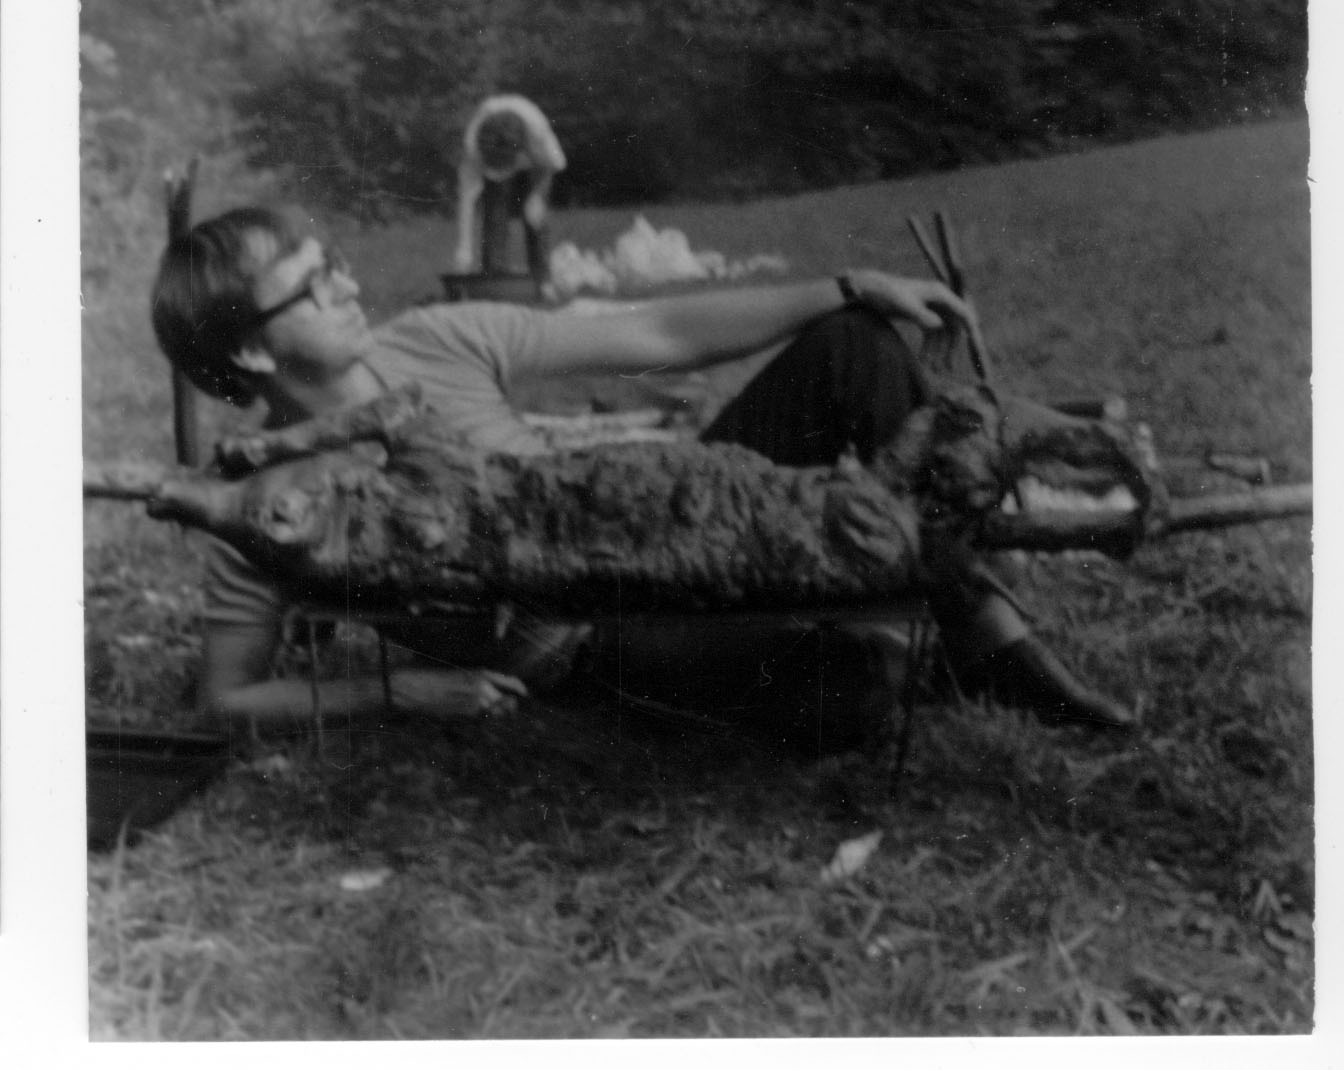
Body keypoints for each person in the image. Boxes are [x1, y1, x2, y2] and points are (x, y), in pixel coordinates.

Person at [151, 205, 1134, 740]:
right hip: (596, 634)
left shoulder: (432, 340)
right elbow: (224, 700)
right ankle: (875, 628)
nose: (348, 283)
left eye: (334, 261)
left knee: (854, 345)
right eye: (313, 285)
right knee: (857, 693)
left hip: (679, 504)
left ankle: (988, 639)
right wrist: (400, 691)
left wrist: (845, 284)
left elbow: (653, 332)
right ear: (255, 353)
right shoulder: (264, 507)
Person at [451, 94, 566, 287]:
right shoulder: (473, 145)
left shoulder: (537, 130)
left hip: (535, 160)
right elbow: (467, 199)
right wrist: (464, 249)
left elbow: (554, 164)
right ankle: (494, 277)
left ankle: (542, 280)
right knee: (494, 213)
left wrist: (537, 196)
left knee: (535, 217)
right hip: (504, 151)